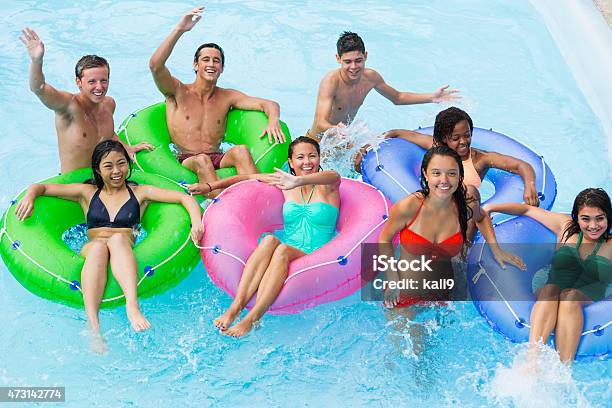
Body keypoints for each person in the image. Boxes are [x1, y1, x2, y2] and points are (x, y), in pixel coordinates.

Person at [14, 141, 203, 341]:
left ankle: (132, 305)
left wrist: (196, 221)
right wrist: (29, 197)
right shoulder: (86, 193)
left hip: (123, 244)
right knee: (97, 248)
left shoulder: (140, 193)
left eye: (121, 163)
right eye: (108, 166)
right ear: (97, 169)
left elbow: (185, 198)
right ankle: (94, 326)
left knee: (118, 239)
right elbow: (41, 187)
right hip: (93, 247)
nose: (117, 171)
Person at [204, 137, 340, 337]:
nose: (307, 162)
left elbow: (334, 176)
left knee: (282, 249)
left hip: (316, 255)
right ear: (291, 162)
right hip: (288, 249)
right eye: (300, 157)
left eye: (312, 156)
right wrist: (208, 187)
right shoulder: (286, 183)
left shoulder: (327, 186)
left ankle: (253, 318)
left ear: (319, 158)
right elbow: (247, 178)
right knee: (270, 241)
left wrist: (299, 180)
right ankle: (235, 308)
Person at [149, 6, 286, 198]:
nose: (211, 64)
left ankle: (261, 199)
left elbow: (269, 104)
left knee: (241, 151)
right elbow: (155, 65)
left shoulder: (227, 97)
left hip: (217, 155)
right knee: (203, 160)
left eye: (216, 61)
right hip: (187, 158)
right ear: (196, 65)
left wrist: (273, 120)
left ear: (222, 68)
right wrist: (180, 29)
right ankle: (221, 206)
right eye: (206, 60)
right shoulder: (177, 92)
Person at [378, 146, 525, 309]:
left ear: (460, 177)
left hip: (442, 293)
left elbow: (482, 217)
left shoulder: (464, 207)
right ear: (426, 175)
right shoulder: (409, 207)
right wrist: (392, 279)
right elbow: (385, 238)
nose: (444, 180)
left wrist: (497, 251)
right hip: (404, 293)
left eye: (451, 173)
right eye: (436, 173)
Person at [483, 188, 611, 362]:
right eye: (585, 219)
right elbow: (527, 210)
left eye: (600, 218)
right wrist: (491, 207)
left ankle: (564, 367)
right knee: (550, 289)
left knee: (569, 296)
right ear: (576, 217)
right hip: (551, 292)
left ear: (608, 217)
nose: (593, 225)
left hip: (586, 297)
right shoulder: (565, 227)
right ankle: (531, 362)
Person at [20, 28, 153, 174]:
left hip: (103, 179)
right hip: (74, 185)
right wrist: (36, 61)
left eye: (104, 80)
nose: (99, 87)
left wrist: (126, 147)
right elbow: (39, 88)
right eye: (92, 81)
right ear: (78, 82)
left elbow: (107, 133)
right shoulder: (68, 106)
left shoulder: (109, 104)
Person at [307, 31, 459, 140]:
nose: (354, 66)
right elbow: (321, 123)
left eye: (358, 60)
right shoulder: (331, 82)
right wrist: (337, 130)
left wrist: (432, 97)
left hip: (343, 139)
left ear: (365, 56)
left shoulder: (370, 77)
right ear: (338, 59)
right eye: (347, 62)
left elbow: (398, 97)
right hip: (318, 142)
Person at [383, 107, 540, 205]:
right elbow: (397, 133)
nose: (463, 142)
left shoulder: (481, 159)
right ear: (443, 138)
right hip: (434, 205)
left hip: (462, 211)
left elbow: (521, 165)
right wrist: (373, 144)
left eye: (467, 135)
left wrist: (530, 186)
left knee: (469, 192)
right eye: (456, 138)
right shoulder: (437, 147)